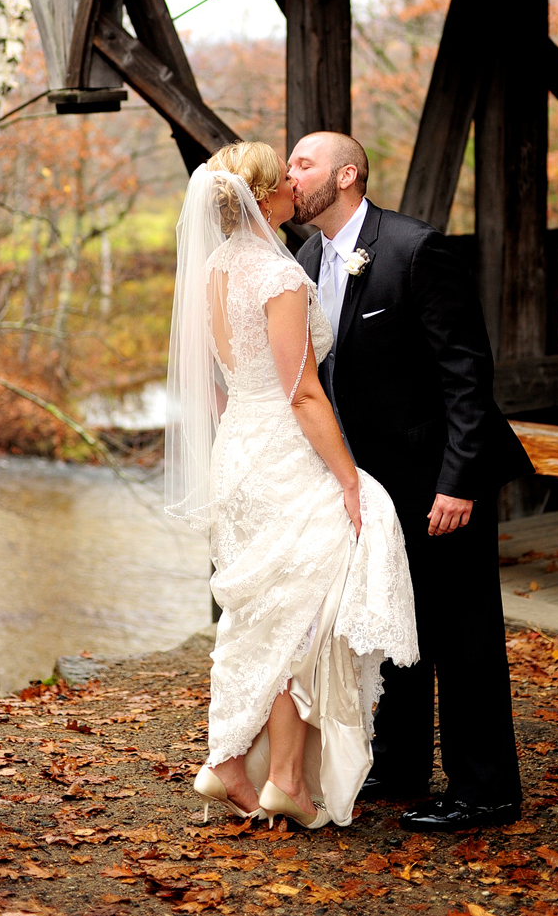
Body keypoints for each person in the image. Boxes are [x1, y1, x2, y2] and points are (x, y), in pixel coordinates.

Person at [164, 142, 417, 831]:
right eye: (285, 182)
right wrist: (349, 481)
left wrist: (238, 448)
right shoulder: (279, 275)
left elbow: (217, 384)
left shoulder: (213, 269)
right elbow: (303, 393)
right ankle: (271, 772)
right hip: (281, 447)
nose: (294, 191)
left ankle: (248, 766)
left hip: (239, 448)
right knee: (312, 597)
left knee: (279, 610)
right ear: (264, 197)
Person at [288, 131, 534, 833]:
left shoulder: (414, 248)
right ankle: (398, 765)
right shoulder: (308, 258)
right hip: (372, 487)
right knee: (392, 622)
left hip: (440, 480)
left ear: (348, 174)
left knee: (464, 637)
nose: (289, 173)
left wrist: (459, 480)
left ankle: (486, 789)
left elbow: (466, 373)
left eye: (302, 162)